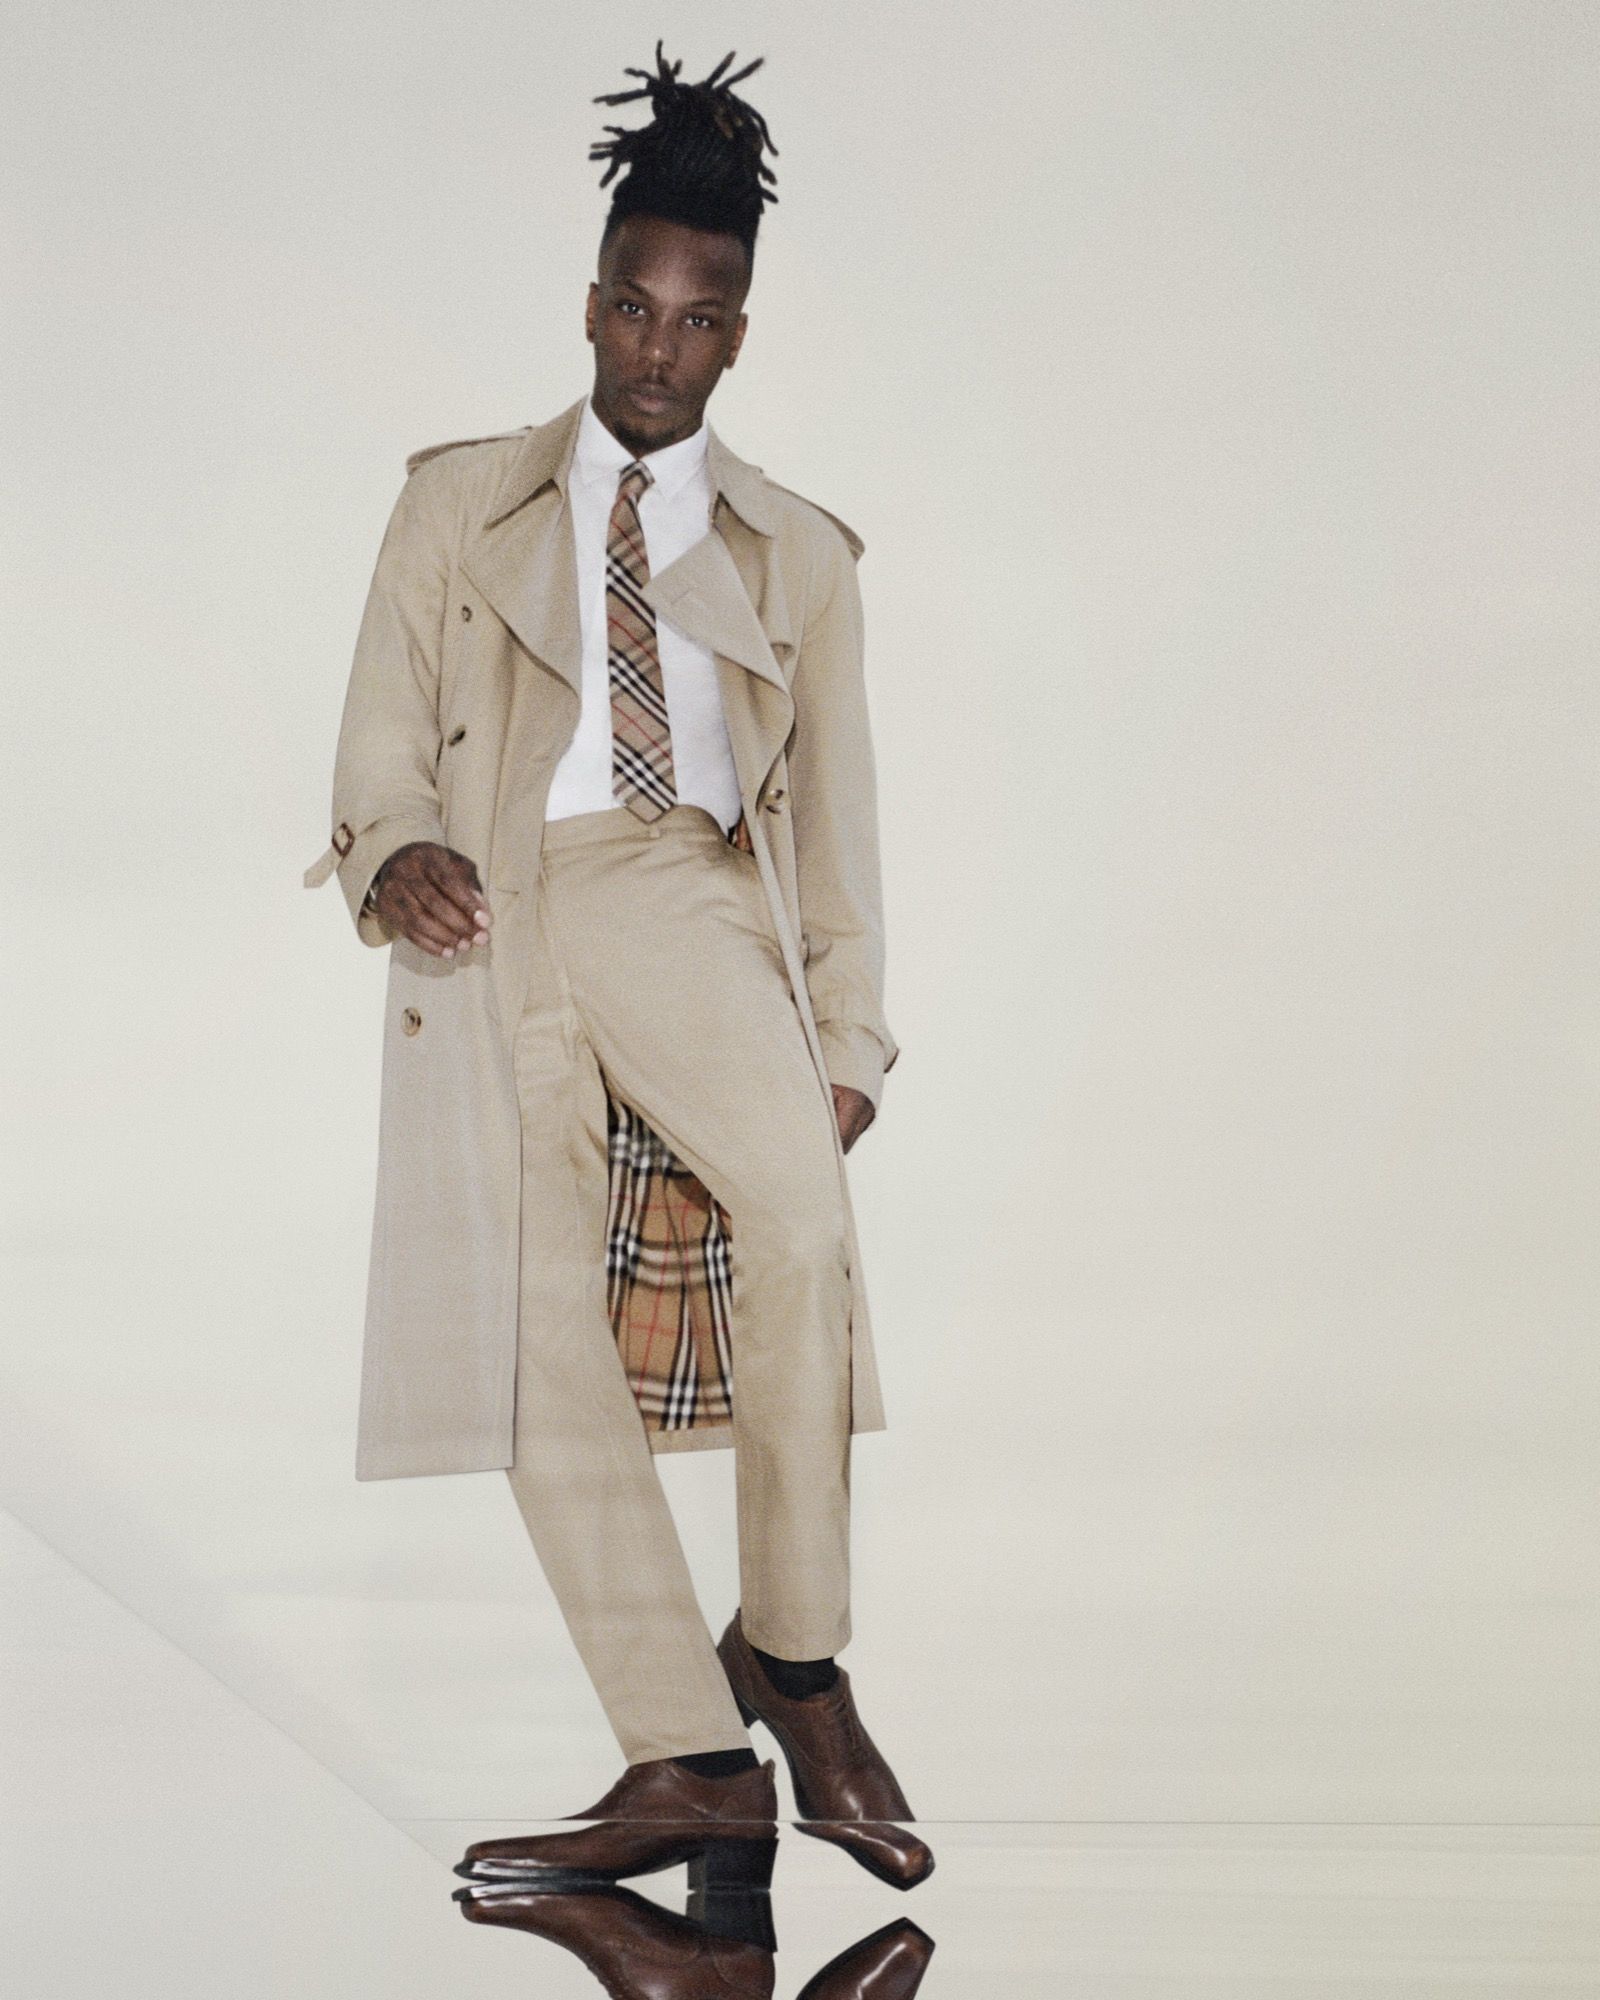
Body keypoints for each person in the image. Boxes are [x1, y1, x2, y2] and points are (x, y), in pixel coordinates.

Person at [305, 43, 929, 1906]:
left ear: (739, 335)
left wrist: (851, 1029)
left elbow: (840, 814)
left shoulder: (798, 554)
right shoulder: (459, 502)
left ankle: (794, 1660)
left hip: (683, 895)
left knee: (803, 1230)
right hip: (499, 906)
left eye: (700, 317)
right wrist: (392, 846)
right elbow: (381, 729)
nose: (661, 346)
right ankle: (688, 1758)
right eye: (636, 306)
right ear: (592, 304)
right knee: (531, 1336)